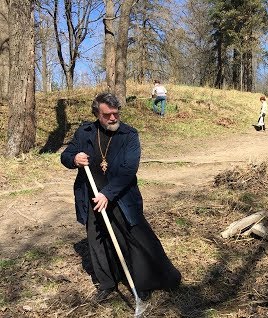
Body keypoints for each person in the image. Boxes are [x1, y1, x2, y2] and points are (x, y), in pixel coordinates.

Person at [61, 92, 181, 303]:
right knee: (97, 240)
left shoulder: (129, 135)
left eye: (116, 113)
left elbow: (128, 170)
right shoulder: (85, 132)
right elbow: (66, 155)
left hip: (122, 197)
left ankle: (143, 283)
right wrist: (74, 158)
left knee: (134, 239)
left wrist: (108, 193)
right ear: (97, 114)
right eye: (108, 115)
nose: (114, 118)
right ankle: (107, 283)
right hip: (92, 196)